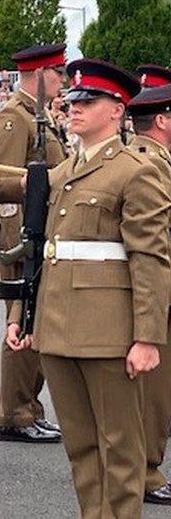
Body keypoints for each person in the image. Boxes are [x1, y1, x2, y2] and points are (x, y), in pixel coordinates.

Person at [0, 58, 169, 519]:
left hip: (109, 332)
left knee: (120, 448)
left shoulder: (137, 170)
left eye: (88, 101)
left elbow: (150, 259)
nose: (74, 108)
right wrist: (21, 317)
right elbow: (39, 252)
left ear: (118, 109)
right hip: (57, 328)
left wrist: (148, 337)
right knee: (81, 447)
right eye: (71, 99)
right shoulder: (68, 169)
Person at [0, 44, 68, 444]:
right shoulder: (15, 118)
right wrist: (27, 185)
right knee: (22, 321)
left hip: (40, 228)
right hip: (19, 232)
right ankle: (14, 413)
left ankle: (29, 406)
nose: (63, 81)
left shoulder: (39, 115)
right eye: (58, 73)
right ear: (41, 73)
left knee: (37, 323)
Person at [126, 78, 171, 506]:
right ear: (161, 120)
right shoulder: (152, 164)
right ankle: (146, 473)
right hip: (154, 290)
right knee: (154, 391)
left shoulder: (144, 158)